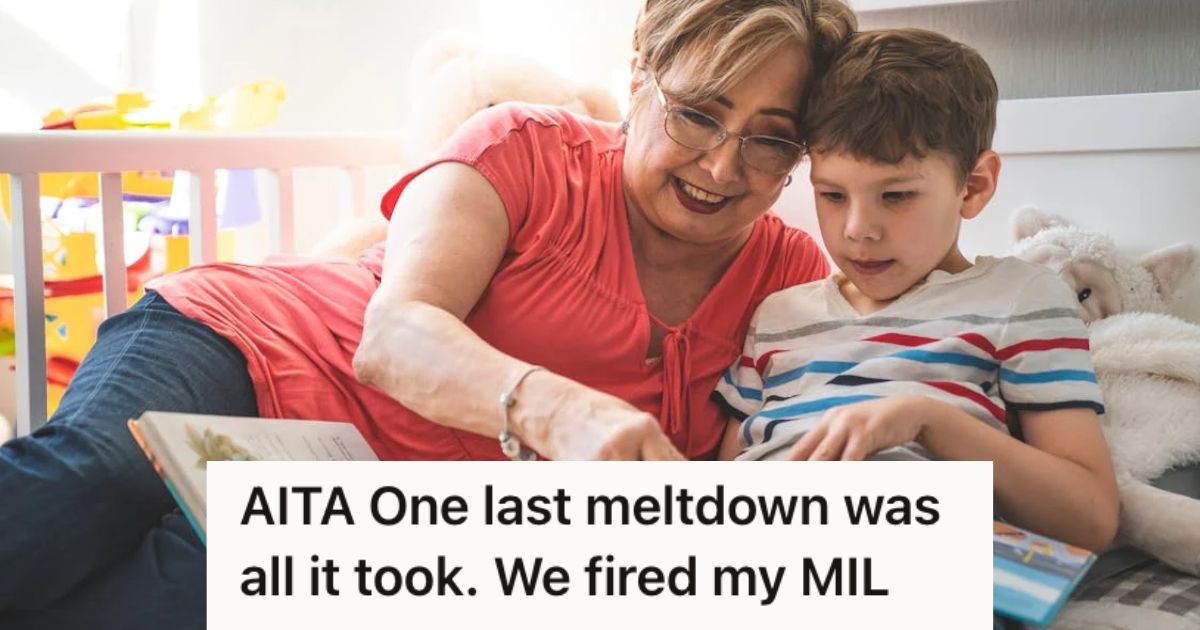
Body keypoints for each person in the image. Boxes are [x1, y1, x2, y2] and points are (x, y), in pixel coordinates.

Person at [0, 0, 856, 626]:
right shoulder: (522, 145)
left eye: (769, 137)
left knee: (193, 587)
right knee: (86, 486)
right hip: (247, 342)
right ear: (639, 81)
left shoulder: (790, 278)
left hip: (363, 508)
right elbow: (395, 332)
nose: (722, 162)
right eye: (698, 114)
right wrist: (559, 407)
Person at [714, 28, 1119, 553]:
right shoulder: (777, 315)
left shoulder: (1019, 299)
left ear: (973, 187)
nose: (858, 228)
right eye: (832, 195)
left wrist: (924, 419)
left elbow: (1090, 519)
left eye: (897, 195)